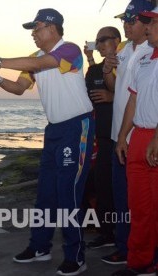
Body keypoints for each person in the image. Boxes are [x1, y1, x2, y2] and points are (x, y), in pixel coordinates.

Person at [0, 8, 94, 276]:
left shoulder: (70, 51)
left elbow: (42, 65)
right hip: (54, 129)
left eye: (36, 28)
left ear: (52, 28)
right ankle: (40, 246)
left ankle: (76, 256)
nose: (33, 34)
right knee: (46, 193)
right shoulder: (34, 59)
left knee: (68, 193)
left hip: (77, 127)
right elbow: (18, 88)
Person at [100, 0, 154, 266]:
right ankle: (125, 248)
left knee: (142, 204)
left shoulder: (150, 50)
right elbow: (117, 87)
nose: (126, 25)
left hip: (141, 137)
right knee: (122, 198)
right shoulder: (123, 49)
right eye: (125, 20)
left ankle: (140, 253)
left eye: (131, 21)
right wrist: (108, 70)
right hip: (119, 135)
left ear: (147, 24)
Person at [83, 27, 122, 250]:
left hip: (126, 135)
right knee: (102, 186)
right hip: (103, 137)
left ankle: (123, 233)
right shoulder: (94, 71)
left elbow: (140, 97)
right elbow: (86, 98)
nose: (98, 45)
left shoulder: (129, 64)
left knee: (123, 188)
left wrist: (112, 96)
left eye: (102, 41)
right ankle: (106, 233)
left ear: (116, 41)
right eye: (96, 42)